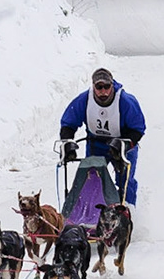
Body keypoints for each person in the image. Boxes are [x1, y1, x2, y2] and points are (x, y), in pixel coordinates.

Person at [59, 67, 145, 207]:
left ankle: (127, 211)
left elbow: (138, 128)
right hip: (96, 144)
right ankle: (93, 214)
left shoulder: (125, 101)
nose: (103, 91)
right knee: (91, 178)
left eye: (107, 86)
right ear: (93, 86)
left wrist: (124, 145)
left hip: (123, 144)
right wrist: (67, 143)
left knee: (125, 181)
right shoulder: (84, 100)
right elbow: (68, 123)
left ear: (112, 85)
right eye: (99, 87)